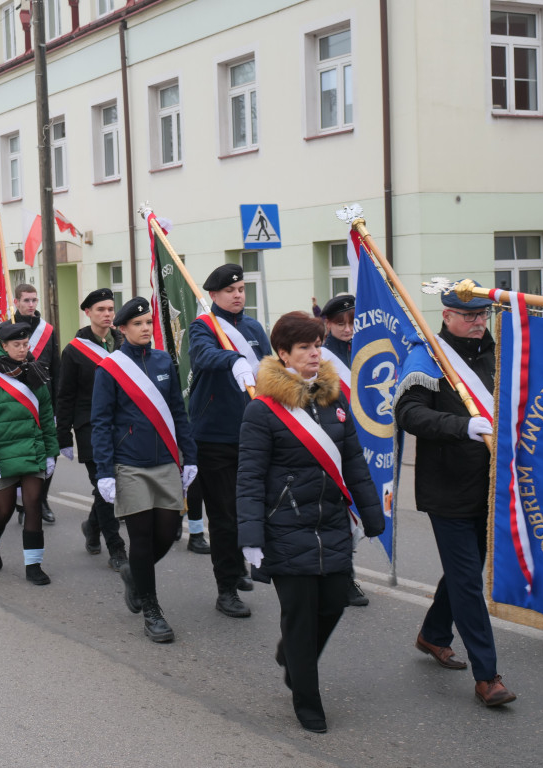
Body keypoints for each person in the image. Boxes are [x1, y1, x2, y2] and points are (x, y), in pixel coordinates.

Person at [237, 311, 384, 733]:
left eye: (317, 345)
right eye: (304, 347)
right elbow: (248, 477)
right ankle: (307, 698)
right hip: (286, 526)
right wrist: (251, 536)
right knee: (300, 617)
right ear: (283, 354)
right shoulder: (262, 412)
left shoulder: (334, 400)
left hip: (332, 523)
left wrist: (372, 516)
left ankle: (294, 660)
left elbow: (353, 461)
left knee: (335, 602)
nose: (315, 354)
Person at [394, 283, 517, 707]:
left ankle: (432, 634)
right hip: (446, 488)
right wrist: (461, 426)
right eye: (469, 316)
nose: (478, 321)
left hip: (490, 485)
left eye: (483, 315)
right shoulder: (428, 356)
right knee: (468, 582)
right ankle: (488, 677)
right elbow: (409, 414)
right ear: (446, 316)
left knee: (463, 572)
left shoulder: (496, 352)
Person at [91, 298, 197, 642]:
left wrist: (190, 457)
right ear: (122, 330)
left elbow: (179, 414)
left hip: (165, 461)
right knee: (141, 538)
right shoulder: (110, 369)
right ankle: (152, 610)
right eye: (138, 324)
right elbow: (101, 422)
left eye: (150, 322)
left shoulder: (165, 360)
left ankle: (135, 577)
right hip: (129, 465)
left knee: (168, 532)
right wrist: (104, 471)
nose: (147, 328)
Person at [188, 264, 272, 618]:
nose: (238, 294)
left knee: (251, 507)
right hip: (214, 436)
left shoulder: (253, 327)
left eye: (241, 288)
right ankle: (226, 589)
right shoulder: (203, 326)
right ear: (213, 295)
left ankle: (238, 567)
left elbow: (271, 366)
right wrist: (233, 359)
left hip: (252, 433)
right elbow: (203, 356)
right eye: (230, 290)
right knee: (224, 516)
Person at [0, 321, 59, 585]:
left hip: (32, 451)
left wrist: (50, 453)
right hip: (2, 455)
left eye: (26, 345)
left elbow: (45, 415)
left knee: (33, 504)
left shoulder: (34, 372)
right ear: (4, 346)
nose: (23, 350)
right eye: (17, 345)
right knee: (4, 510)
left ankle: (33, 565)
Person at [55, 287, 128, 570]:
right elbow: (66, 396)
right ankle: (117, 548)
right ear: (88, 313)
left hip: (119, 425)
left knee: (111, 485)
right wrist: (63, 436)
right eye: (101, 310)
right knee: (103, 485)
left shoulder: (122, 342)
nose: (107, 314)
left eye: (111, 309)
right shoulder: (74, 350)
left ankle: (92, 525)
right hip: (89, 426)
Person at [318, 294, 369, 608]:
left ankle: (340, 572)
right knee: (340, 513)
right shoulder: (322, 359)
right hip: (334, 444)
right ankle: (343, 576)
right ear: (328, 324)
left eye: (352, 322)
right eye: (340, 323)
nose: (348, 328)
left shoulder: (367, 350)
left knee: (358, 511)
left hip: (364, 445)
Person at [13, 284, 61, 524]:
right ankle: (24, 504)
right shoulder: (7, 328)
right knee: (23, 453)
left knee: (49, 452)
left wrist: (57, 405)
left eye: (34, 300)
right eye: (26, 300)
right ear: (16, 302)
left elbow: (56, 367)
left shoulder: (47, 330)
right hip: (17, 401)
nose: (31, 305)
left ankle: (42, 500)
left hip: (44, 400)